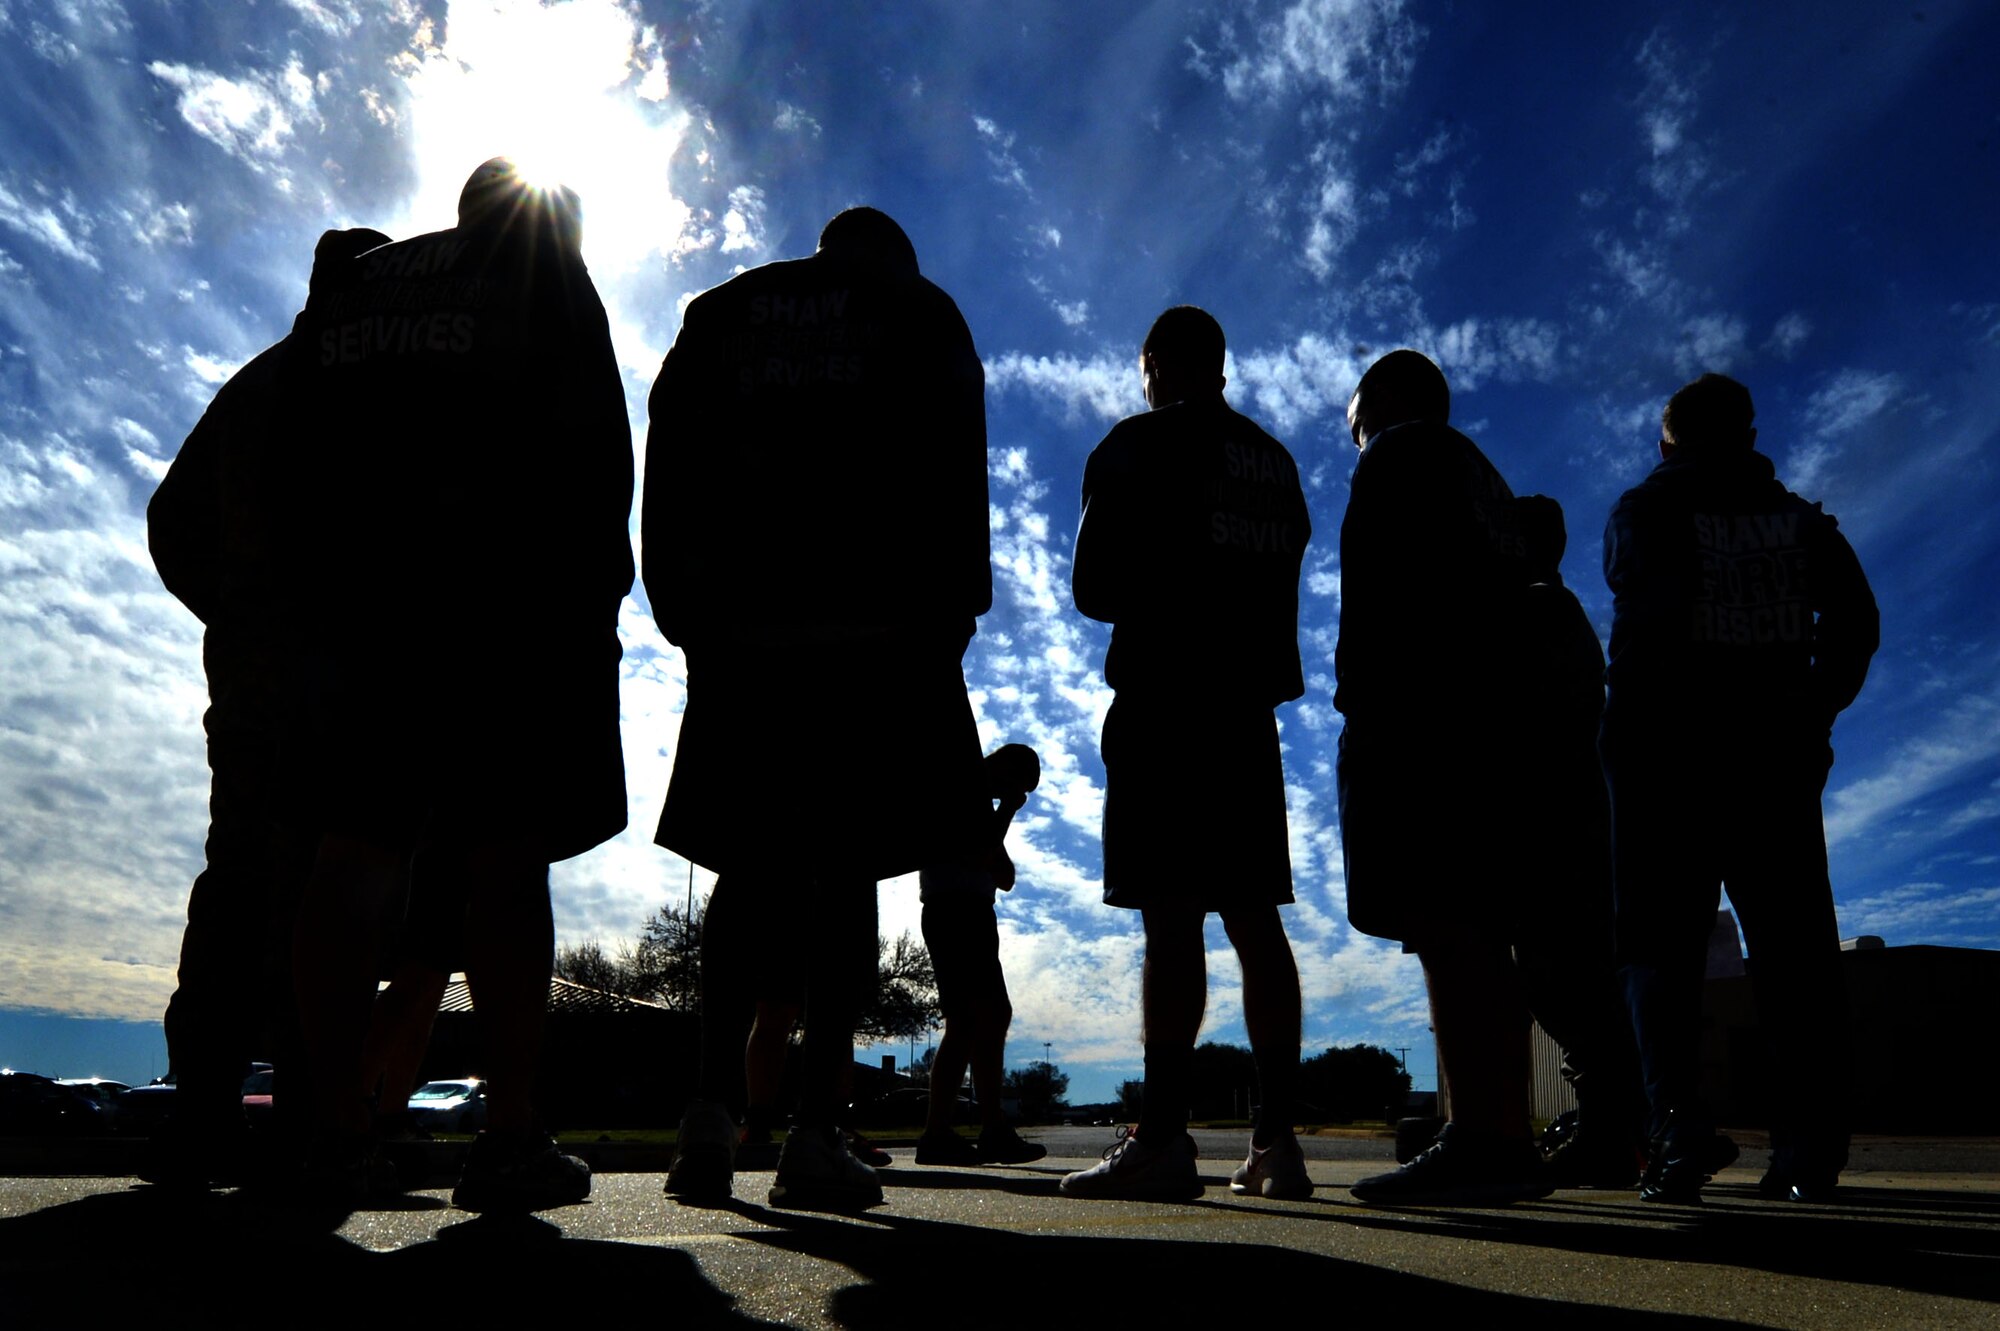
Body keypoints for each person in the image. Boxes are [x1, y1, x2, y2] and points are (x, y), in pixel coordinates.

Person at [281, 159, 633, 1209]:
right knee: (505, 862)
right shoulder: (547, 278)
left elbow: (295, 452)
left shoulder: (366, 284)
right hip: (505, 609)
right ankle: (510, 1133)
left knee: (349, 854)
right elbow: (594, 454)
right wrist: (595, 606)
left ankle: (336, 1130)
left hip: (356, 612)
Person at [644, 207, 990, 1211]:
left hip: (743, 630)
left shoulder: (720, 310)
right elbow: (953, 465)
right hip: (876, 632)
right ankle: (815, 1130)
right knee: (843, 872)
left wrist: (680, 604)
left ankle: (709, 1111)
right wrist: (952, 614)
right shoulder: (918, 309)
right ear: (892, 251)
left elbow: (668, 459)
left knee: (746, 867)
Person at [145, 226, 390, 1188]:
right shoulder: (361, 378)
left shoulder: (256, 381)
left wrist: (233, 611)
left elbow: (172, 523)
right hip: (332, 667)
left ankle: (205, 1106)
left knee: (240, 872)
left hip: (254, 669)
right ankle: (306, 1110)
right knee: (318, 879)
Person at [1602, 373, 1877, 1203]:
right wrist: (1812, 709)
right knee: (1795, 953)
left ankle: (1678, 1130)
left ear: (1668, 441)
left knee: (1658, 952)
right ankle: (1809, 1147)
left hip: (1664, 763)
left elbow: (1639, 613)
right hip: (1772, 761)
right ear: (1751, 435)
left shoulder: (1644, 510)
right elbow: (1858, 625)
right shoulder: (1802, 525)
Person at [1061, 306, 1312, 1203]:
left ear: (1157, 363)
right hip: (1247, 709)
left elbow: (1093, 586)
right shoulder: (1276, 464)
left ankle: (1164, 1136)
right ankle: (1277, 1143)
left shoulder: (1136, 442)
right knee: (1255, 919)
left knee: (1171, 920)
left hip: (1167, 697)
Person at [1333, 349, 1553, 1206]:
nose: (1351, 426)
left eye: (1354, 408)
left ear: (1382, 396)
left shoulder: (1400, 453)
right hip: (1487, 719)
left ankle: (1483, 1136)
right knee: (1478, 932)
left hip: (1423, 716)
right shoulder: (1480, 474)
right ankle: (1503, 1129)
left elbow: (1393, 595)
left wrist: (1373, 702)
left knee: (1445, 922)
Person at [1508, 494, 1648, 1189]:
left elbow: (1532, 727)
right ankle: (1618, 1128)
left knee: (1558, 979)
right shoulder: (1553, 609)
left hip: (1556, 822)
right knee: (1566, 980)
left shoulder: (1536, 609)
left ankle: (1615, 1129)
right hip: (1574, 818)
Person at [914, 743, 1048, 1167]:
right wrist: (1006, 811)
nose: (1014, 797)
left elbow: (1004, 875)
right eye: (1015, 786)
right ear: (1003, 768)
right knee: (972, 1018)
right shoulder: (957, 792)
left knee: (986, 1017)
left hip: (971, 911)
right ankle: (948, 1132)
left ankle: (986, 1129)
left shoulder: (977, 808)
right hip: (954, 910)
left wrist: (995, 831)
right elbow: (981, 853)